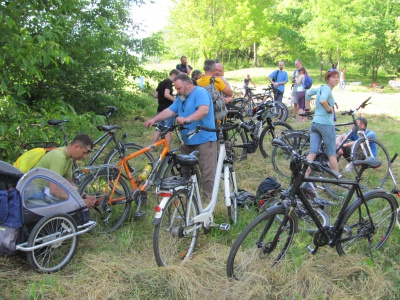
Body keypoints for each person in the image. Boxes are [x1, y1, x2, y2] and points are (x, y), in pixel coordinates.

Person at [144, 74, 217, 200]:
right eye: (176, 89)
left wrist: (187, 119)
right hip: (187, 140)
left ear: (188, 84)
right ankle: (186, 196)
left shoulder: (200, 93)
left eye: (179, 88)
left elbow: (204, 110)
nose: (177, 92)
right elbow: (170, 111)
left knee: (207, 172)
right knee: (185, 170)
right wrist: (154, 119)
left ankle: (208, 200)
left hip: (204, 140)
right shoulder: (181, 97)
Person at [34, 134, 97, 207]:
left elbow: (69, 183)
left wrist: (84, 195)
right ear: (76, 147)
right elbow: (54, 191)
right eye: (84, 153)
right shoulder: (59, 158)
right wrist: (80, 201)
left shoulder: (68, 158)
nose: (84, 157)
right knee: (74, 205)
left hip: (44, 192)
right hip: (36, 194)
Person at [305, 68, 340, 173]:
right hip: (326, 124)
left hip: (315, 123)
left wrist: (307, 109)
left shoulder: (321, 88)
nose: (336, 79)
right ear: (327, 79)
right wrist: (329, 109)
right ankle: (338, 179)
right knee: (331, 153)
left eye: (337, 77)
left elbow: (308, 93)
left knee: (312, 152)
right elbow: (323, 100)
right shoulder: (327, 89)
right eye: (333, 77)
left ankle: (304, 175)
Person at [151, 69, 180, 147]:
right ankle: (167, 149)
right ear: (173, 75)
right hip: (168, 109)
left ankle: (152, 147)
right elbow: (166, 94)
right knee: (168, 129)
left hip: (160, 108)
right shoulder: (169, 82)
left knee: (158, 128)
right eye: (177, 78)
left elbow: (155, 95)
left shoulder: (161, 82)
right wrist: (176, 101)